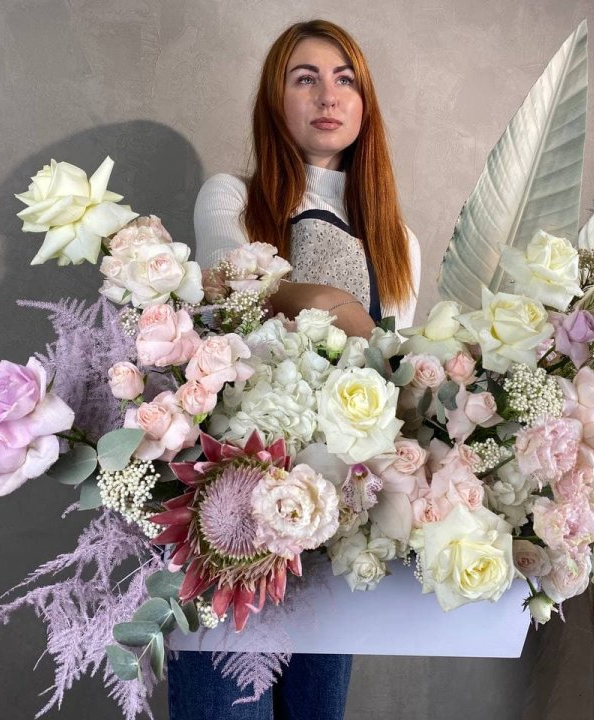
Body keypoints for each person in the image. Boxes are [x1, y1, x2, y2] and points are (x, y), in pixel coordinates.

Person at [167, 19, 421, 720]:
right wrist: (338, 305)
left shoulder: (396, 241)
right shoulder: (232, 197)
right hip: (232, 509)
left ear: (365, 103)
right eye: (304, 78)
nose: (327, 96)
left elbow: (396, 378)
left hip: (334, 519)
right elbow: (235, 293)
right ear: (274, 100)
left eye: (345, 80)